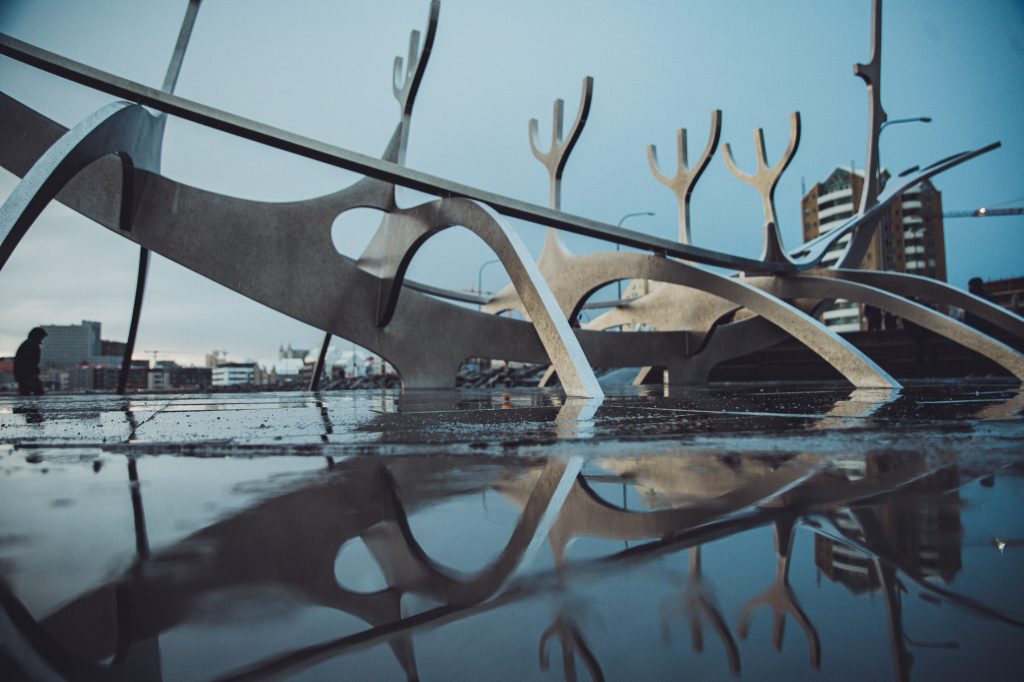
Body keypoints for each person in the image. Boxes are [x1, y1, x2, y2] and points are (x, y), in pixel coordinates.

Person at [14, 327, 47, 396]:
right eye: (42, 337)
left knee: (25, 393)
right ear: (38, 336)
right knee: (38, 391)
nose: (42, 340)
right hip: (27, 375)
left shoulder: (27, 344)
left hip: (22, 375)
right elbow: (31, 362)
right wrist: (34, 372)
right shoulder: (32, 346)